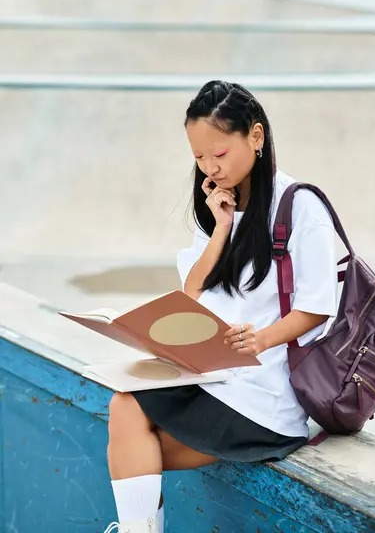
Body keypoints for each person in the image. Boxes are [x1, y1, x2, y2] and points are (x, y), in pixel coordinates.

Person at [104, 81, 337, 533]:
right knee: (124, 409)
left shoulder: (301, 206)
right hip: (214, 378)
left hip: (265, 399)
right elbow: (191, 291)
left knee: (130, 443)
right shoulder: (219, 206)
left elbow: (317, 306)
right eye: (198, 158)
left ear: (255, 136)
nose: (210, 167)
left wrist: (260, 338)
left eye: (220, 154)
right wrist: (221, 228)